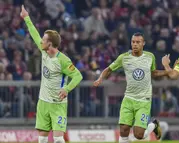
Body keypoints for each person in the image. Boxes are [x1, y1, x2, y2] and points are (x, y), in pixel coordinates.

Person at [20, 5, 83, 143]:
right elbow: (34, 33)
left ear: (50, 44)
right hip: (43, 102)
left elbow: (78, 76)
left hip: (57, 105)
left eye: (44, 39)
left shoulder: (63, 61)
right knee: (42, 139)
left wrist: (67, 88)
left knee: (58, 139)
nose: (41, 40)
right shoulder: (44, 51)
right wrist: (27, 18)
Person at [94, 32, 169, 142]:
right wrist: (100, 78)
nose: (135, 44)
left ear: (143, 43)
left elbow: (153, 73)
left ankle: (154, 125)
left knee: (139, 135)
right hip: (128, 98)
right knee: (123, 130)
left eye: (138, 42)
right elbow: (109, 69)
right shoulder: (124, 58)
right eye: (133, 42)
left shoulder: (150, 57)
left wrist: (166, 72)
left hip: (144, 100)